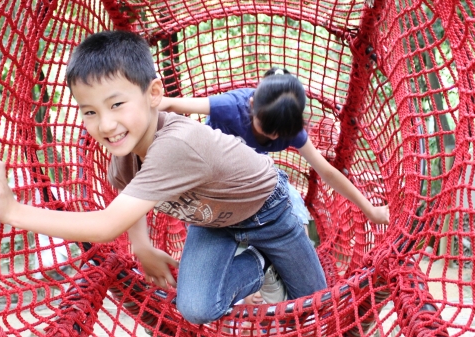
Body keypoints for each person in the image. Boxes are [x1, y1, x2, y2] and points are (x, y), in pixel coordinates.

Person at [0, 31, 326, 325]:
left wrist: (14, 212)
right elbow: (125, 193)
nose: (106, 124)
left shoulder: (176, 145)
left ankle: (272, 247)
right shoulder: (123, 155)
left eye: (116, 105)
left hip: (268, 210)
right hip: (212, 221)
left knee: (315, 307)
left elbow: (105, 225)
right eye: (90, 112)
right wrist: (141, 246)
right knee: (196, 309)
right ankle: (261, 264)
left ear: (153, 94)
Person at [159, 67, 390, 227]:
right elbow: (170, 103)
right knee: (205, 218)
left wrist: (369, 209)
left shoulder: (291, 129)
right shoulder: (232, 106)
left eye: (279, 132)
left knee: (292, 209)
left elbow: (327, 172)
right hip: (210, 163)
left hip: (246, 172)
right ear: (251, 105)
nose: (271, 135)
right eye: (265, 126)